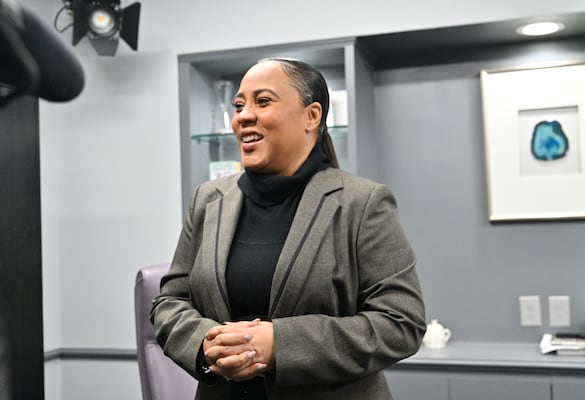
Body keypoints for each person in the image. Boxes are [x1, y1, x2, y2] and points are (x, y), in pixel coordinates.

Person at [151, 57, 426, 400]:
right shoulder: (207, 200)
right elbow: (169, 302)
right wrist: (205, 343)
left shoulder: (363, 202)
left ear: (312, 116)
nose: (243, 116)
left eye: (262, 101)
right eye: (238, 105)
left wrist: (279, 345)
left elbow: (401, 323)